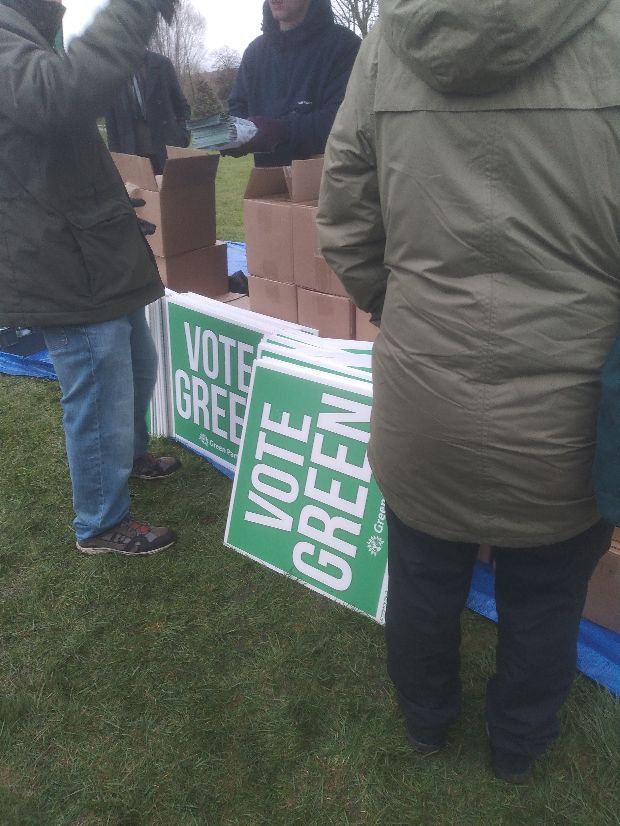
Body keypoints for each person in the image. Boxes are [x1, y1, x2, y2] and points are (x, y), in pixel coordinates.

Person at [317, 0, 620, 784]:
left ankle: (427, 722)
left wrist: (407, 314)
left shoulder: (387, 42)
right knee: (546, 597)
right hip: (568, 408)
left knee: (423, 574)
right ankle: (518, 745)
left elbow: (344, 213)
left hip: (425, 396)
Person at [0, 0, 184, 556]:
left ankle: (128, 458)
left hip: (87, 239)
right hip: (57, 253)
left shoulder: (24, 29)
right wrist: (133, 7)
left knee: (136, 362)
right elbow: (58, 95)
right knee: (98, 383)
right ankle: (100, 522)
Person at [227, 0, 361, 167]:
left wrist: (282, 131)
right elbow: (238, 107)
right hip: (269, 180)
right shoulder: (255, 52)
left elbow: (345, 122)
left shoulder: (345, 46)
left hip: (328, 178)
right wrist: (229, 136)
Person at [105, 49, 191, 175]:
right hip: (132, 155)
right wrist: (117, 159)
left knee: (173, 188)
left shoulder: (161, 64)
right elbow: (111, 124)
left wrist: (183, 136)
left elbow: (182, 107)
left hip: (167, 150)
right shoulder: (111, 74)